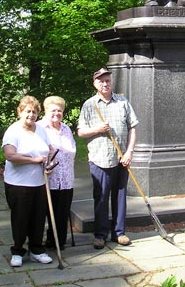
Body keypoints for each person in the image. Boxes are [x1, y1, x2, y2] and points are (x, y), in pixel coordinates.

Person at [77, 67, 139, 249]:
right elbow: (81, 132)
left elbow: (133, 127)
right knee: (101, 198)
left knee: (120, 197)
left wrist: (129, 152)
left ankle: (119, 233)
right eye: (101, 81)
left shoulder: (122, 102)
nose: (105, 84)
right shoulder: (89, 105)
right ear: (95, 84)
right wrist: (98, 129)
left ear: (111, 82)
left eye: (107, 80)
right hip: (100, 159)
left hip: (121, 159)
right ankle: (100, 235)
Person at [2, 95, 54, 267]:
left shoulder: (41, 130)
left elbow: (49, 151)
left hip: (39, 182)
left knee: (38, 218)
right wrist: (34, 160)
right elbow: (10, 155)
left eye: (34, 111)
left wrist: (49, 164)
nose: (31, 115)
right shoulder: (13, 131)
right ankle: (17, 251)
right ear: (20, 112)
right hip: (18, 184)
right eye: (27, 111)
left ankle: (36, 250)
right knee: (20, 218)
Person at [37, 96, 76, 251]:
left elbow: (71, 152)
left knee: (62, 213)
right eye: (53, 110)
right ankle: (37, 243)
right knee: (42, 213)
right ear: (46, 111)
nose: (57, 113)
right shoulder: (39, 128)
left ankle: (57, 241)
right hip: (46, 179)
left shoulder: (66, 129)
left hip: (66, 179)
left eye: (59, 110)